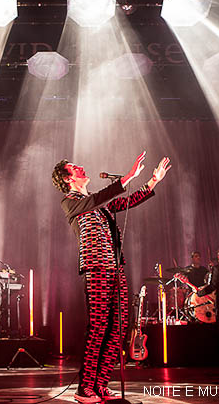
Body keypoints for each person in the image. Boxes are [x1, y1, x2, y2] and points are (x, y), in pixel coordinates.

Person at [52, 151, 171, 403]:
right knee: (98, 326)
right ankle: (85, 389)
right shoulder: (70, 202)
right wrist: (127, 177)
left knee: (117, 328)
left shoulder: (98, 203)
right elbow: (100, 197)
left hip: (115, 267)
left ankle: (101, 385)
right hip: (96, 268)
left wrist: (153, 181)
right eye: (75, 168)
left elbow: (125, 202)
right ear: (68, 179)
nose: (82, 167)